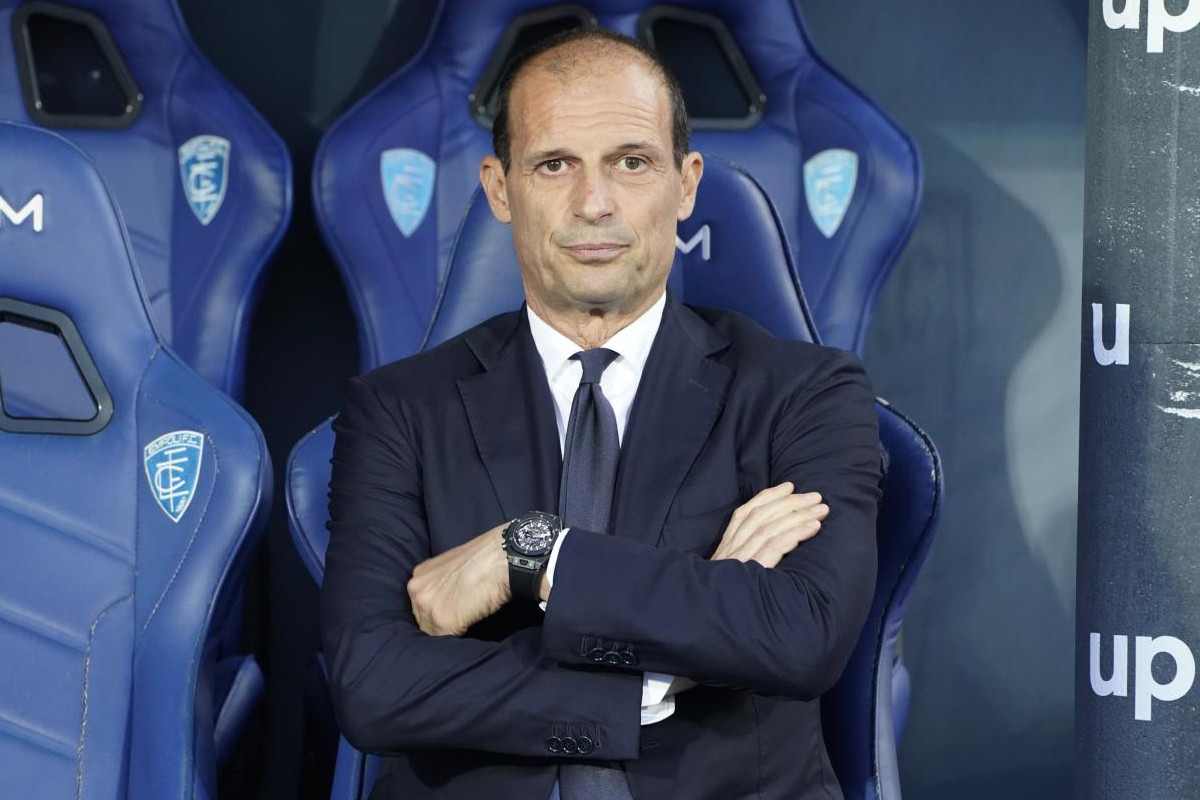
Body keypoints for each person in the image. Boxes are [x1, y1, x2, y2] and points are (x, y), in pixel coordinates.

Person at [322, 26, 882, 800]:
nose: (594, 203)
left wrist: (536, 555)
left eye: (631, 162)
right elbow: (373, 684)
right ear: (499, 188)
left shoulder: (807, 394)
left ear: (685, 185)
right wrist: (670, 658)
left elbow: (801, 633)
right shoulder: (398, 410)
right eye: (555, 164)